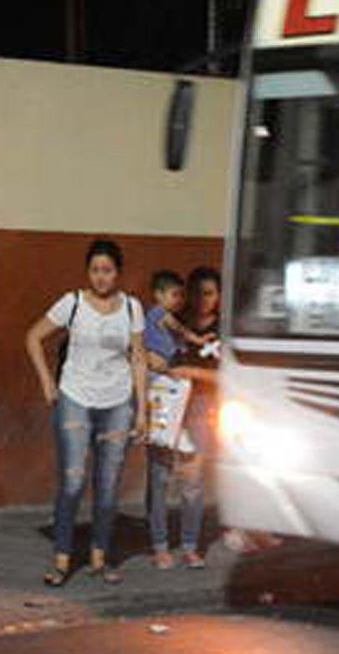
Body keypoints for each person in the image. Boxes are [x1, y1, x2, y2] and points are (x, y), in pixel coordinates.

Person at [24, 239, 149, 587]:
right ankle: (62, 559)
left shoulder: (132, 308)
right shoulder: (73, 303)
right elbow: (33, 337)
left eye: (107, 270)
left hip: (118, 402)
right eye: (95, 270)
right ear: (87, 272)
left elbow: (138, 357)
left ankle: (100, 557)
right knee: (74, 479)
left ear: (118, 273)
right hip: (75, 397)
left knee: (108, 485)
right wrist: (47, 382)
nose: (101, 277)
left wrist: (142, 411)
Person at [147, 267, 221, 570]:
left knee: (192, 483)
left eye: (211, 293)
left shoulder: (222, 330)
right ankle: (160, 546)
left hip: (200, 405)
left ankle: (190, 545)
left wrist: (190, 372)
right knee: (160, 477)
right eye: (196, 293)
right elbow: (144, 353)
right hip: (166, 400)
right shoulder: (171, 322)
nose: (204, 300)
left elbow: (227, 375)